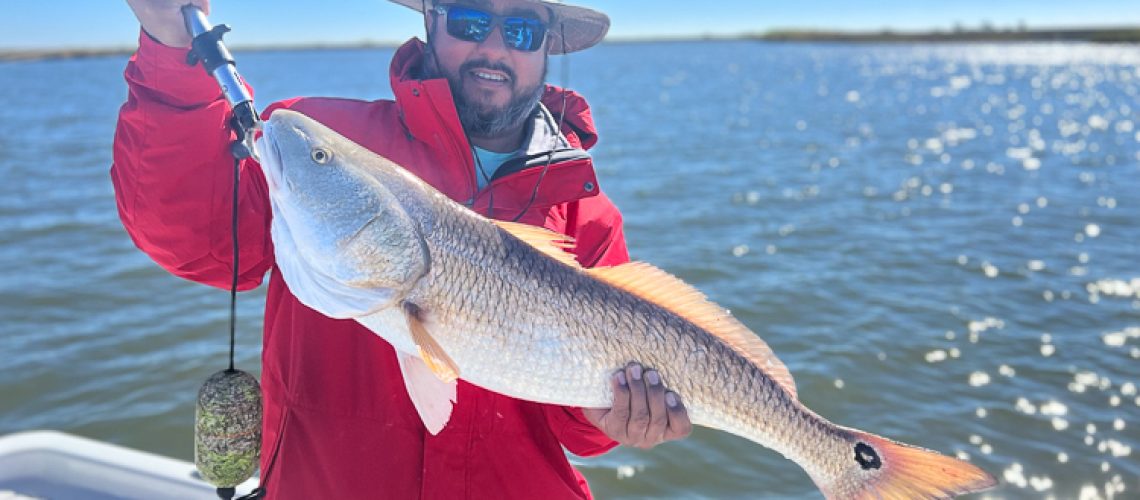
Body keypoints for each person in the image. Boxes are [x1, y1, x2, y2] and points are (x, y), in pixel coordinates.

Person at [113, 0, 692, 498]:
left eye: (522, 30)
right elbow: (199, 241)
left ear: (545, 50)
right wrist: (170, 45)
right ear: (432, 23)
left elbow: (581, 432)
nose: (493, 47)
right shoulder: (325, 138)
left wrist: (615, 417)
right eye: (468, 19)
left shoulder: (585, 211)